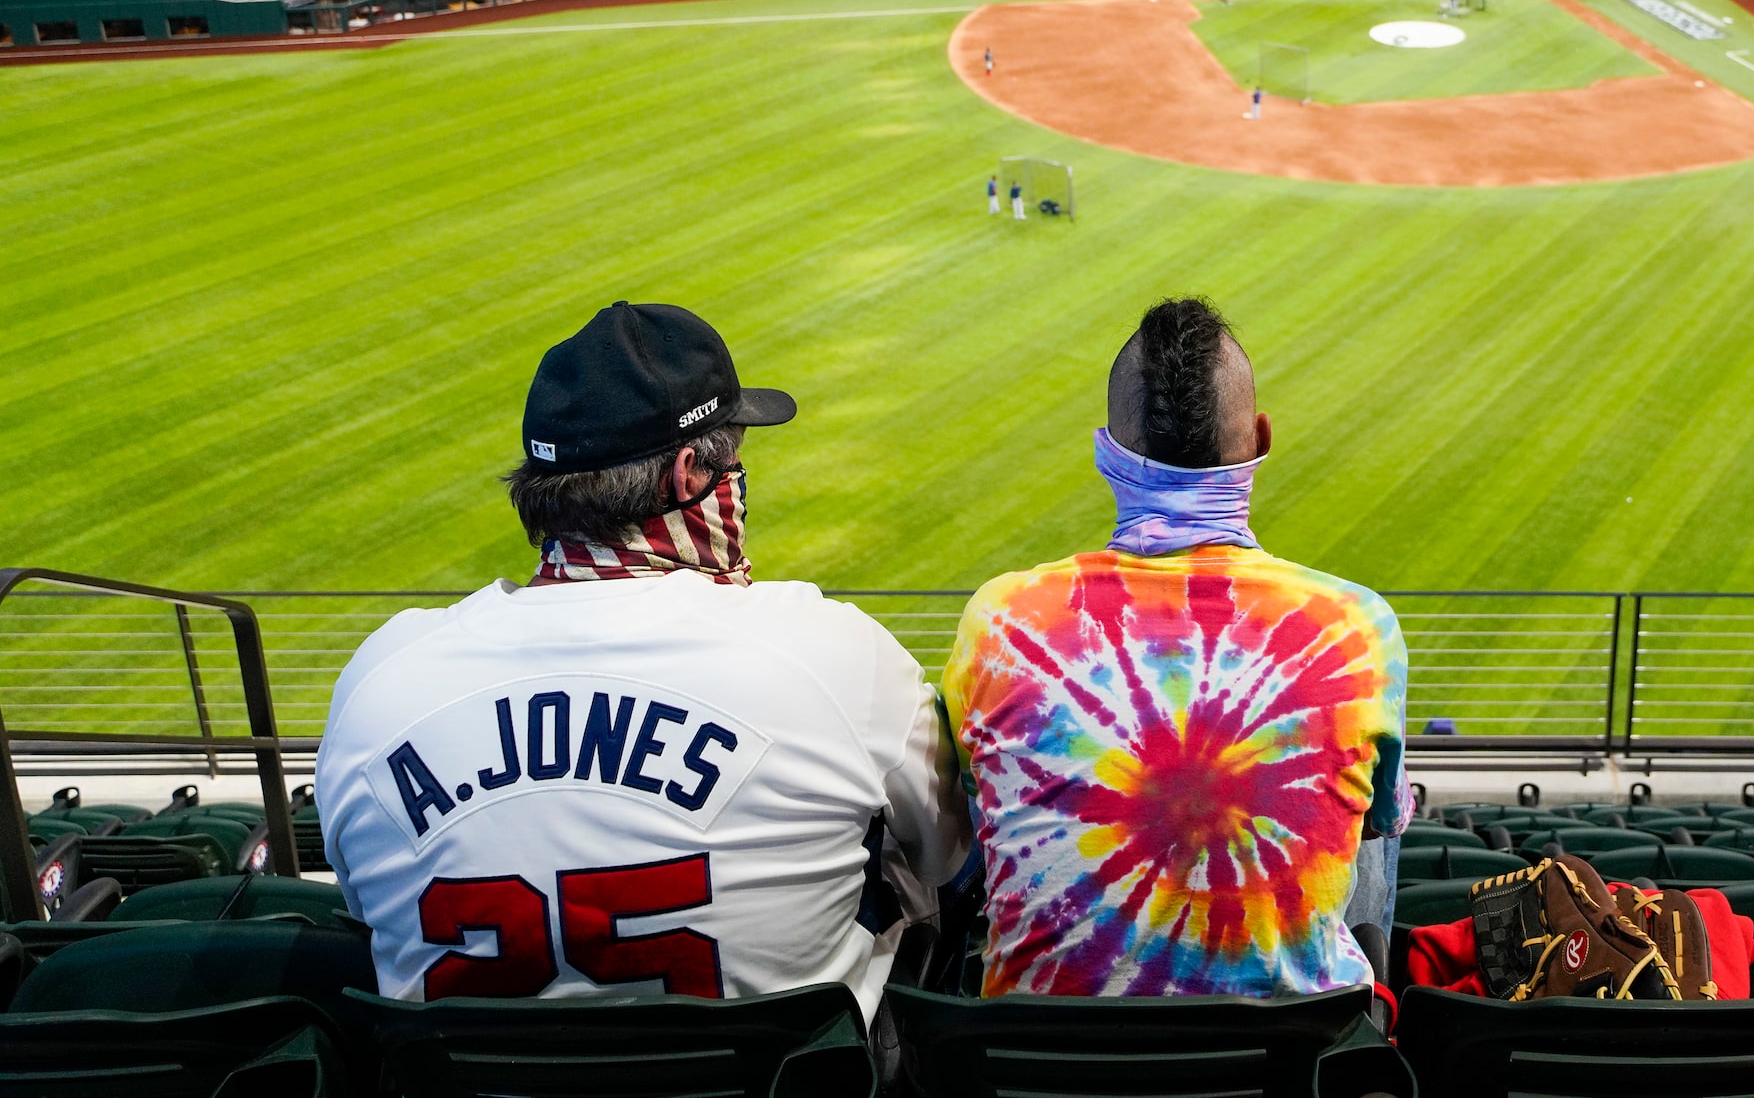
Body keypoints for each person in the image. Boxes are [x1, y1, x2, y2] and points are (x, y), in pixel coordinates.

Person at [313, 303, 963, 1012]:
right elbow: (948, 854)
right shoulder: (830, 651)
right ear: (689, 474)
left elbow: (362, 892)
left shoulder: (382, 679)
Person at [942, 299, 1408, 996]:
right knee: (1376, 816)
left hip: (1036, 1061)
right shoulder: (1356, 625)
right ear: (1259, 439)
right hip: (1286, 1060)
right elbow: (1375, 826)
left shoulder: (1002, 619)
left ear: (1107, 451)